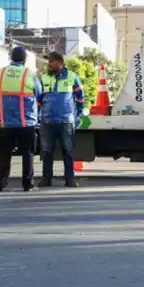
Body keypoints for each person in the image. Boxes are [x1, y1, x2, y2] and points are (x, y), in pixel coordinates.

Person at [0, 45, 41, 192]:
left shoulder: (1, 72)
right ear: (24, 59)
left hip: (6, 121)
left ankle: (0, 183)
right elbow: (39, 93)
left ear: (11, 57)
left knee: (4, 154)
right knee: (27, 154)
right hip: (25, 122)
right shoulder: (29, 74)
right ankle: (27, 184)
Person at [37, 51, 85, 188]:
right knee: (47, 152)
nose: (49, 64)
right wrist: (40, 116)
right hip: (47, 121)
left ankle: (69, 180)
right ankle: (46, 180)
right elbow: (39, 100)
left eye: (52, 61)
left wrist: (76, 116)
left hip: (65, 122)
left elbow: (80, 98)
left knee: (68, 152)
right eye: (48, 61)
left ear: (60, 62)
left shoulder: (72, 77)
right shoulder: (44, 78)